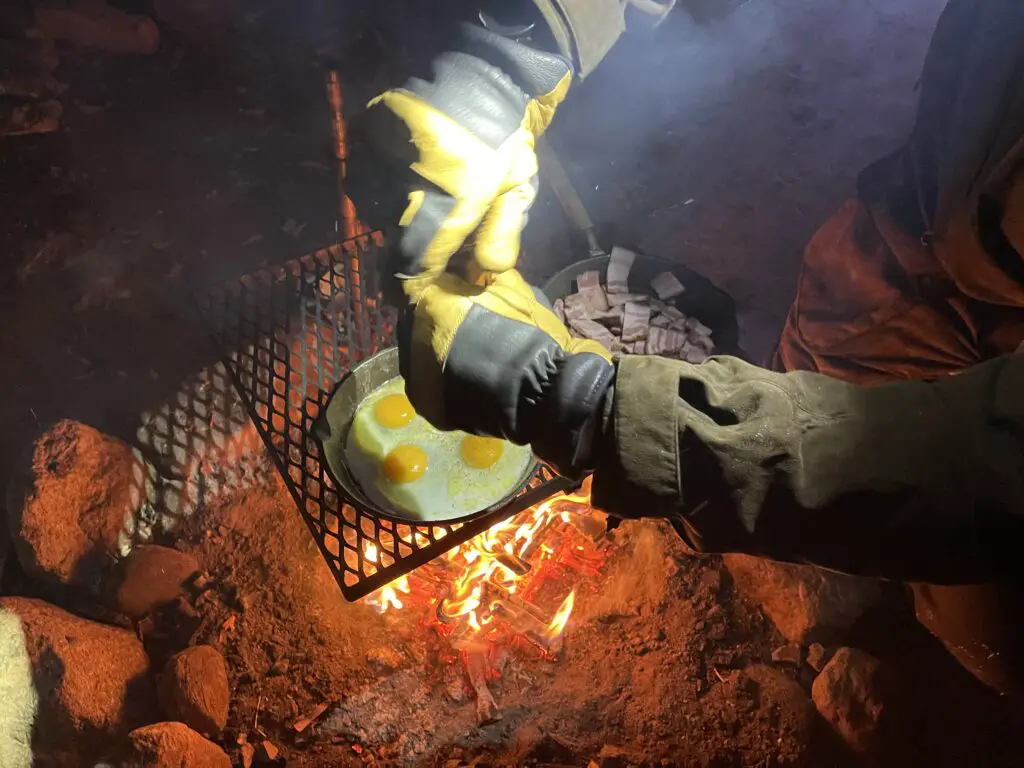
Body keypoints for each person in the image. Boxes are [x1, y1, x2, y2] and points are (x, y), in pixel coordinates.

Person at [352, 0, 1024, 692]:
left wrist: (600, 413)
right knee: (828, 376)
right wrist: (511, 55)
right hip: (943, 197)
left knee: (988, 607)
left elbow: (993, 465)